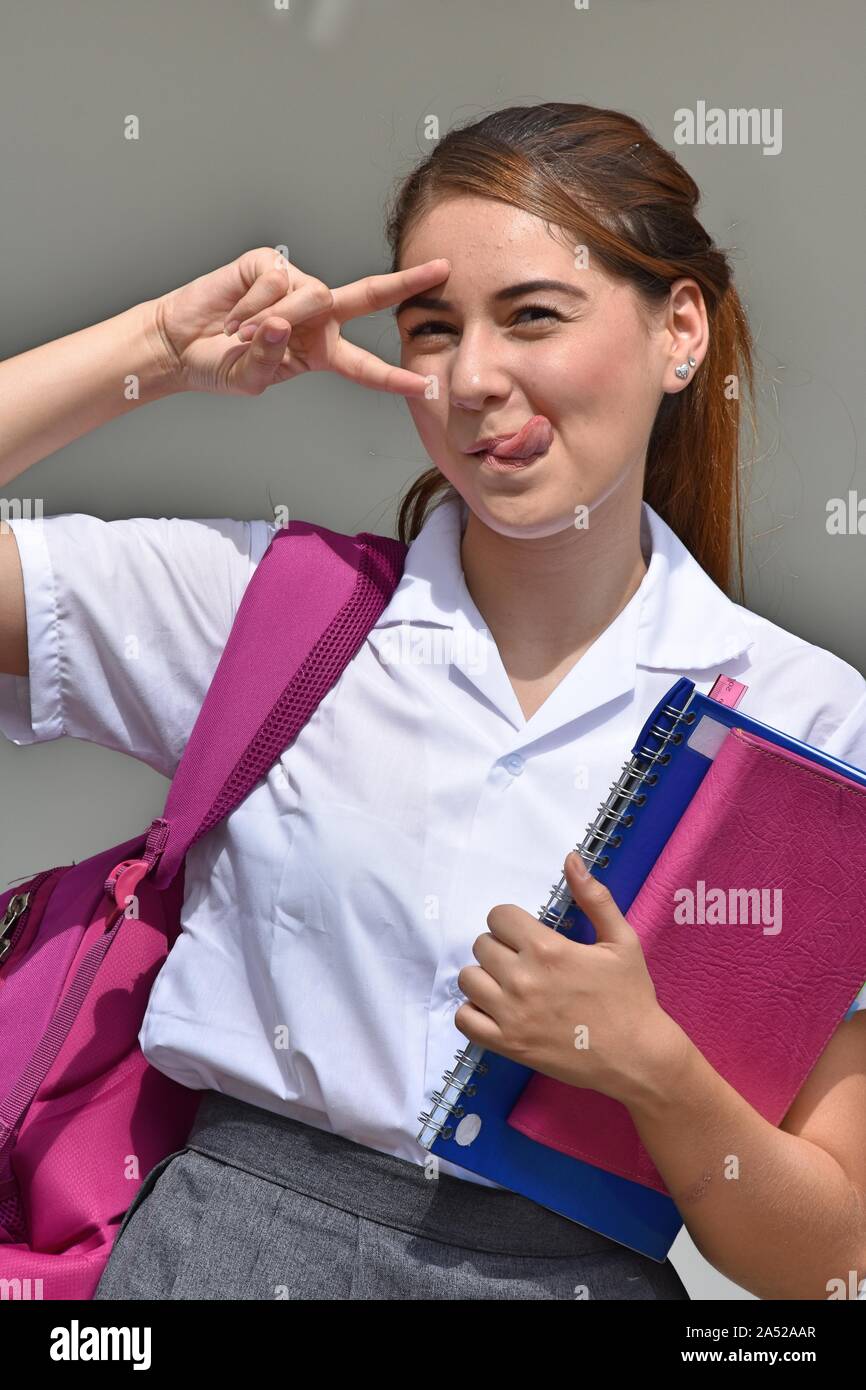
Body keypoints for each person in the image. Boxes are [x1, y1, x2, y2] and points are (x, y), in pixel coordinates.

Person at [1, 101, 864, 1302]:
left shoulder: (799, 716)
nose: (469, 379)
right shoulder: (263, 607)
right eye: (430, 329)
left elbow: (826, 1260)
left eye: (531, 318)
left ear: (680, 332)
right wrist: (155, 347)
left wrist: (654, 1071)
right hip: (219, 1261)